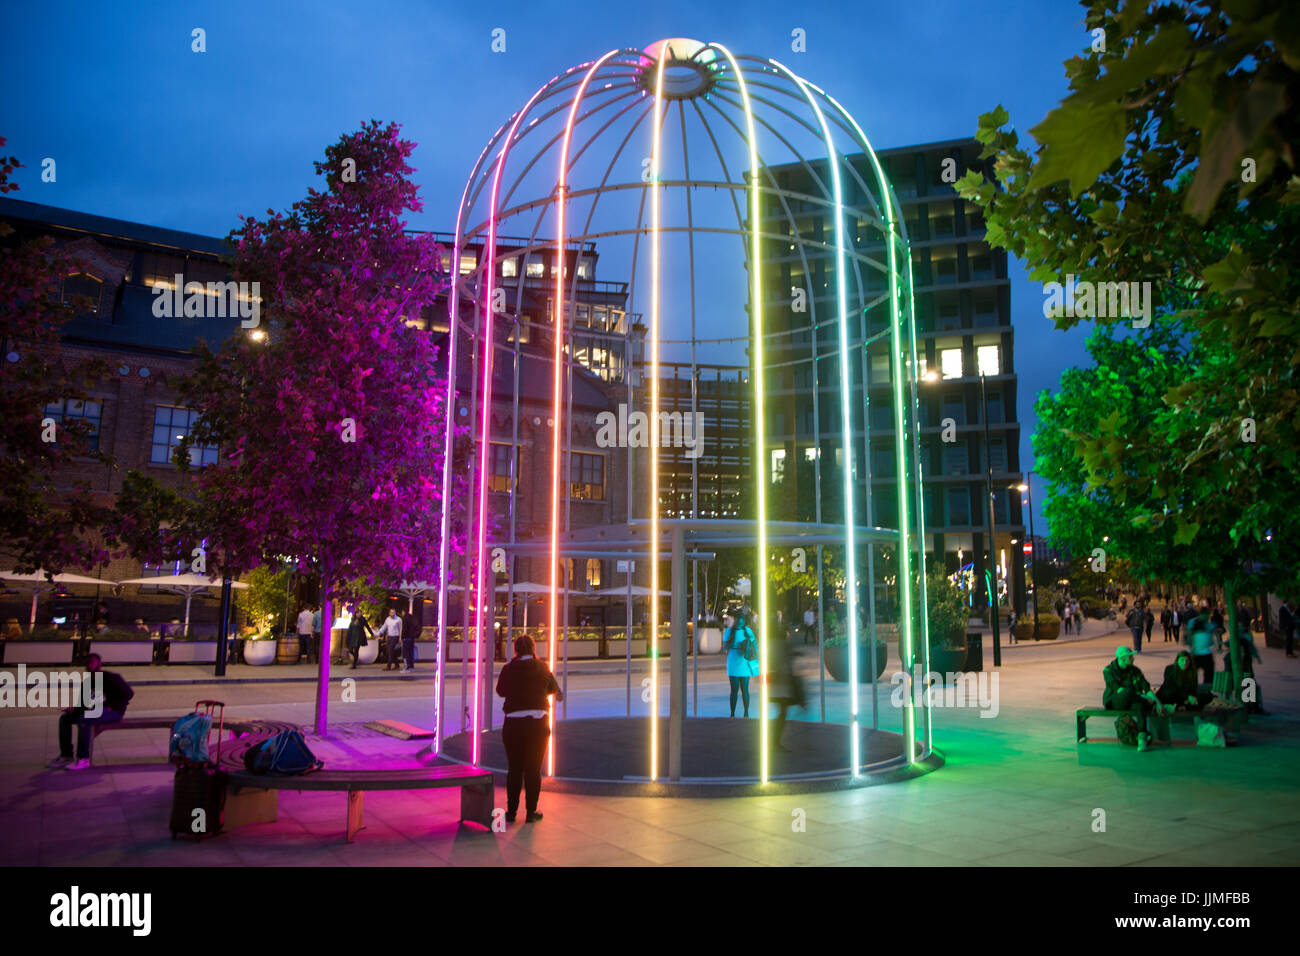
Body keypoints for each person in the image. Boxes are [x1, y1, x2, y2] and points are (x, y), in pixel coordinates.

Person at [495, 633, 562, 823]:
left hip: (513, 723)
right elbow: (551, 688)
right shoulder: (542, 667)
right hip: (537, 723)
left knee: (514, 768)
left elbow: (501, 691)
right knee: (533, 769)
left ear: (516, 649)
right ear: (533, 648)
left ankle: (511, 811)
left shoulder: (508, 668)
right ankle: (531, 812)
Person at [47, 653, 133, 771]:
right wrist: (73, 709)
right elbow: (84, 704)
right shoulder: (87, 683)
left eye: (92, 662)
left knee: (84, 719)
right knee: (65, 719)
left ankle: (83, 758)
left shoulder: (111, 677)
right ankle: (66, 755)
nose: (89, 665)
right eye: (87, 663)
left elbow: (129, 693)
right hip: (95, 711)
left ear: (99, 664)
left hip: (113, 712)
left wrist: (113, 707)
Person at [1102, 645, 1171, 752]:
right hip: (1115, 701)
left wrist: (1157, 703)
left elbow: (1146, 688)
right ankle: (1143, 701)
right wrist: (1143, 697)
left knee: (1139, 706)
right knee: (1128, 691)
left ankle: (1142, 737)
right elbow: (1119, 690)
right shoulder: (1109, 670)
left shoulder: (1135, 671)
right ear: (1122, 659)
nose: (1133, 659)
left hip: (1133, 700)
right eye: (1130, 657)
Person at [768, 627, 803, 751]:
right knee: (782, 712)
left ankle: (774, 741)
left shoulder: (772, 644)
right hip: (781, 683)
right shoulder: (779, 644)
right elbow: (779, 661)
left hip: (779, 683)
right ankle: (775, 741)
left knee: (782, 711)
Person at [723, 608, 758, 718]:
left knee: (745, 690)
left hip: (744, 663)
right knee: (734, 690)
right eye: (738, 619)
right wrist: (734, 643)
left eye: (741, 619)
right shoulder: (729, 632)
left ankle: (746, 713)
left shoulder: (748, 631)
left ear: (744, 620)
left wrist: (747, 646)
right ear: (735, 619)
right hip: (733, 663)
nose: (739, 621)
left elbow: (755, 647)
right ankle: (733, 713)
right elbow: (725, 647)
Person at [1185, 606, 1216, 686]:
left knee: (1209, 672)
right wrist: (1191, 649)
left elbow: (1212, 637)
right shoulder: (1193, 622)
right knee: (1192, 672)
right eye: (1207, 615)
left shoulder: (1208, 624)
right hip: (1195, 652)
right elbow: (1189, 635)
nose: (1208, 617)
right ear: (1202, 614)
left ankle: (1207, 688)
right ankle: (1192, 688)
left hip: (1206, 652)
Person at [401, 607, 418, 673]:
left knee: (406, 653)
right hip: (411, 638)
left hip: (406, 638)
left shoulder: (405, 619)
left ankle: (407, 667)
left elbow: (404, 629)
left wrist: (402, 637)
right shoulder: (412, 618)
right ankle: (411, 666)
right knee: (410, 653)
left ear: (403, 612)